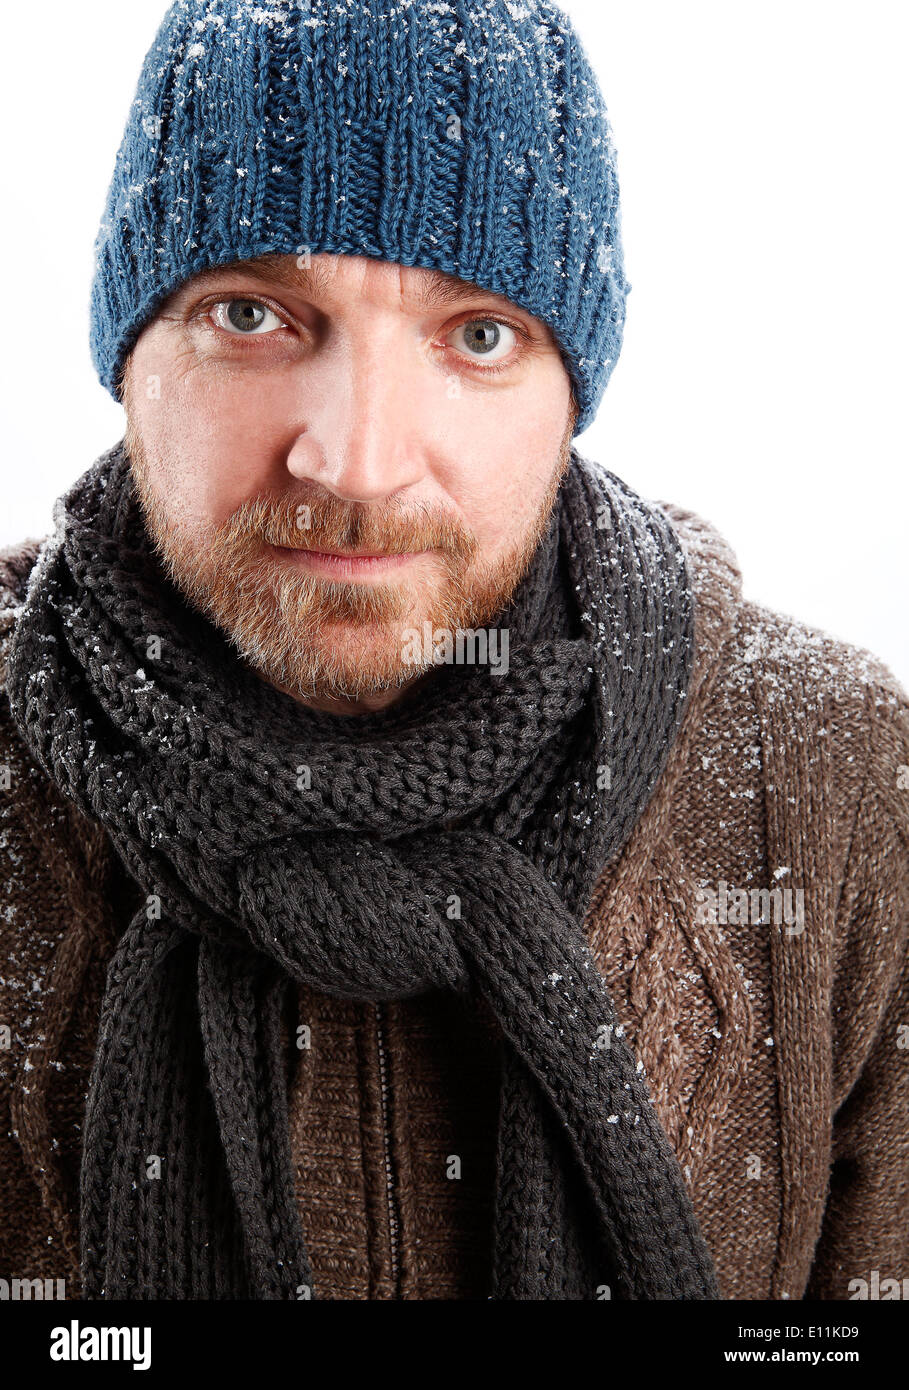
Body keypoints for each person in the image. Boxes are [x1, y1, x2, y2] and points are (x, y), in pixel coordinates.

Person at [0, 0, 906, 1302]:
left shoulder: (838, 784)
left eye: (477, 334)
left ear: (566, 391)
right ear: (128, 353)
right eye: (254, 315)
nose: (356, 460)